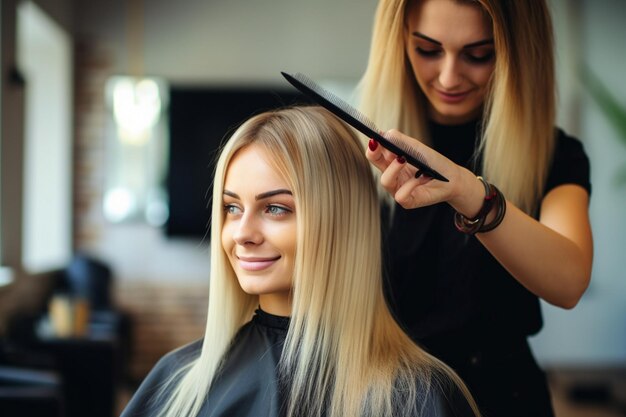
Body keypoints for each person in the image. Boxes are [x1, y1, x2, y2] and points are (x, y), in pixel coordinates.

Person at [119, 106, 481, 417]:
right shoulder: (179, 380)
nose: (242, 233)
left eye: (275, 208)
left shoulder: (419, 396)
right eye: (232, 207)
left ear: (340, 221)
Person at [358, 0, 593, 416]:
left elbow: (569, 280)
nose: (449, 76)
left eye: (479, 55)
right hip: (383, 398)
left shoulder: (554, 156)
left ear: (518, 54)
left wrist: (470, 194)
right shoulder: (360, 152)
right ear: (398, 43)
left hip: (503, 399)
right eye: (427, 50)